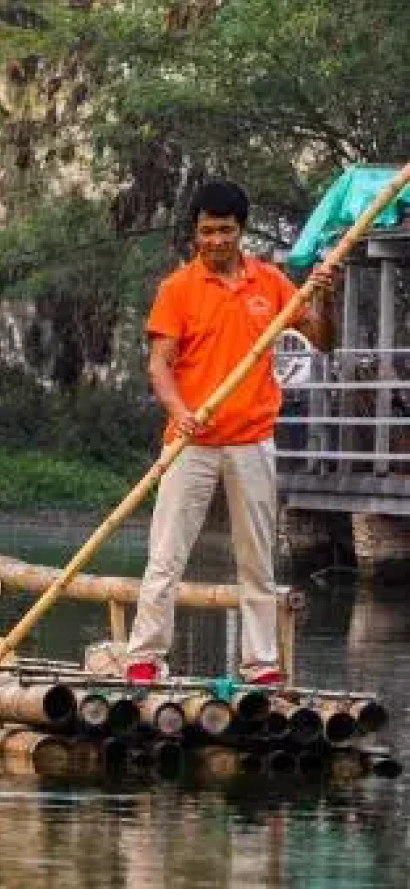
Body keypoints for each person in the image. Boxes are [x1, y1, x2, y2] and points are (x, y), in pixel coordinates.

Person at [125, 179, 334, 686]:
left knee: (257, 559)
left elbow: (322, 338)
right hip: (190, 440)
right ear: (195, 232)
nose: (215, 240)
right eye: (207, 231)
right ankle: (144, 659)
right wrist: (181, 411)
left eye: (225, 230)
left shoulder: (271, 282)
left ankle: (260, 665)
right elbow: (159, 366)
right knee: (166, 554)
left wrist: (325, 295)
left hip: (252, 440)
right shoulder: (177, 289)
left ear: (242, 231)